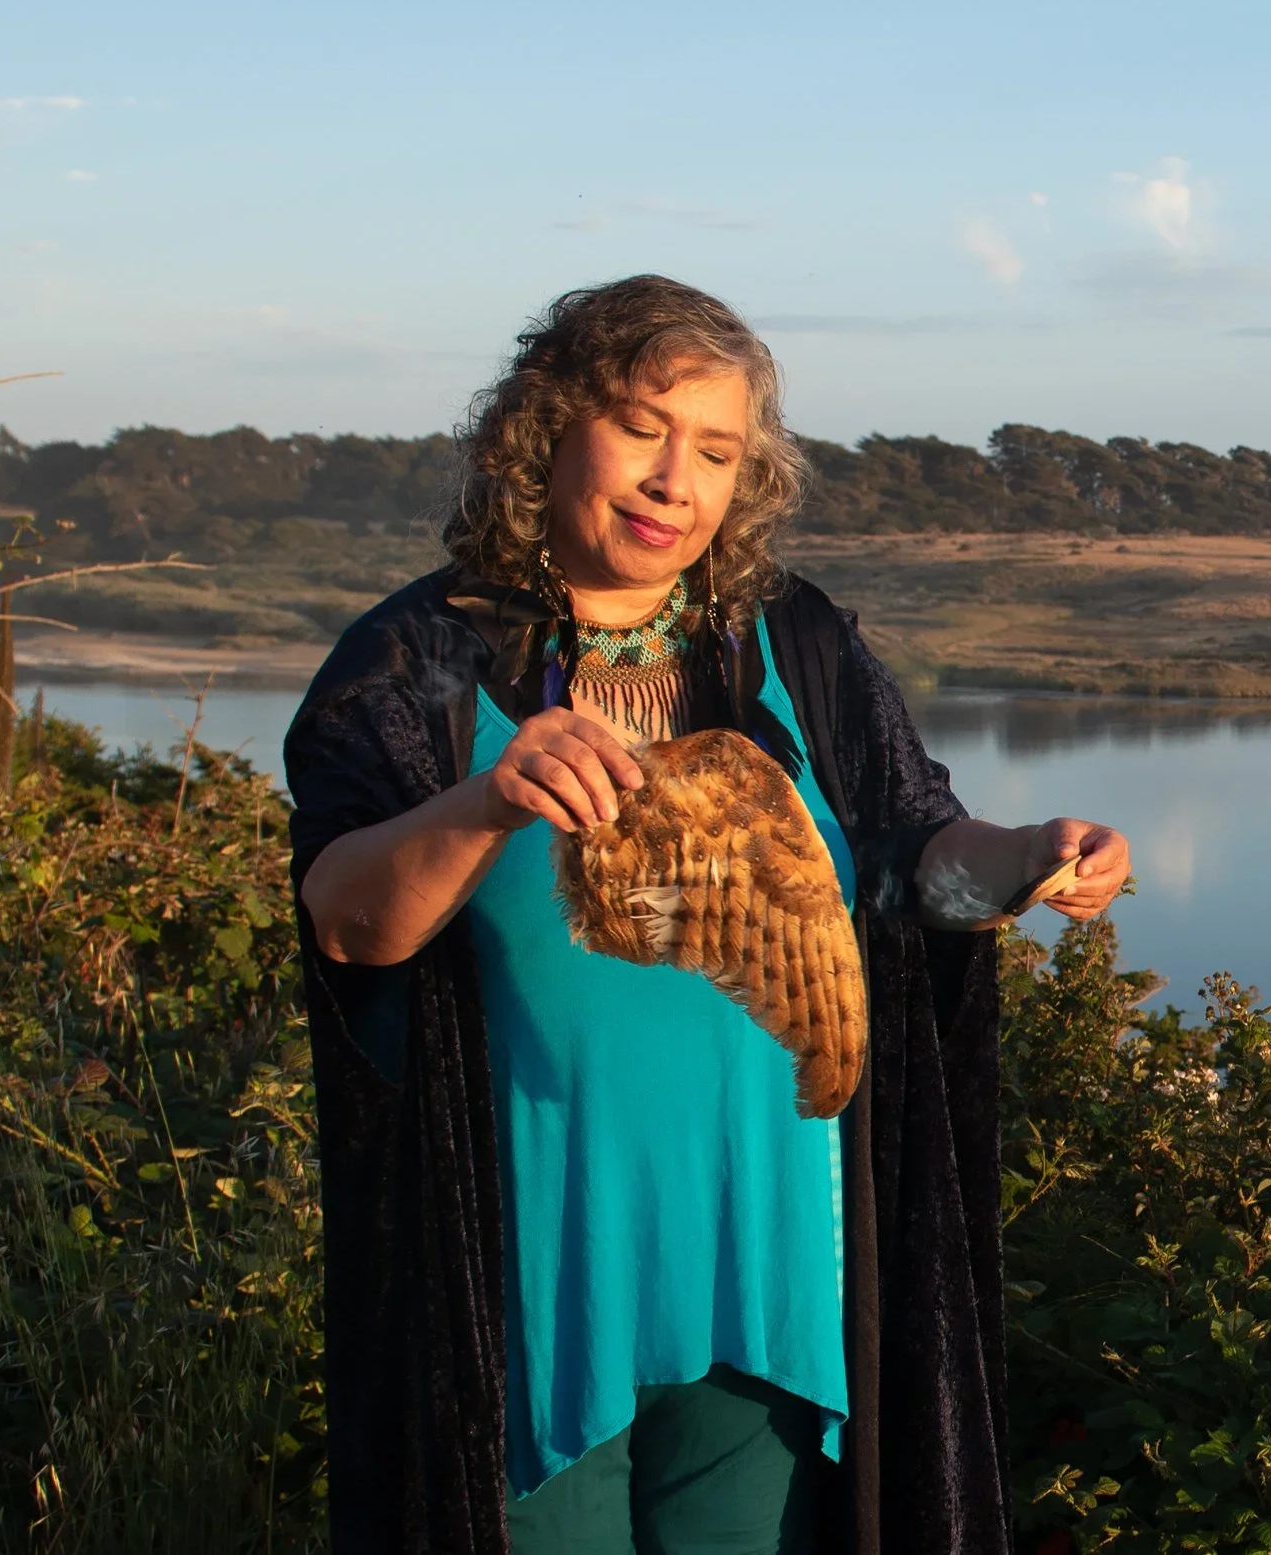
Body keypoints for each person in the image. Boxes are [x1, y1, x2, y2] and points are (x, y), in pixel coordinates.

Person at [284, 275, 1130, 1555]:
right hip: (533, 1271)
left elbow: (906, 864)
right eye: (639, 425)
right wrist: (485, 803)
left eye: (717, 450)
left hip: (772, 1254)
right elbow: (349, 927)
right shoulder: (418, 662)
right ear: (546, 429)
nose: (673, 478)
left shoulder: (796, 644)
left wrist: (1026, 856)